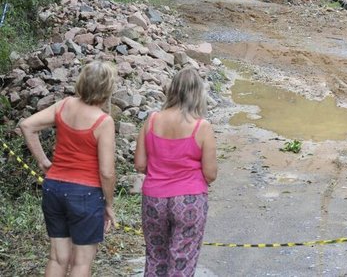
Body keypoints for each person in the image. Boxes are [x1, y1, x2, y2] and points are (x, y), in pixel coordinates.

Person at [19, 60, 118, 277]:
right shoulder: (104, 121)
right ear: (107, 88)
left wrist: (44, 162)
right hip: (85, 194)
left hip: (54, 188)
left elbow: (27, 126)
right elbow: (107, 172)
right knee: (81, 263)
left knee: (57, 258)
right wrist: (108, 204)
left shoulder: (63, 105)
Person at [134, 67, 217, 277]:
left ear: (173, 90)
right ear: (198, 93)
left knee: (155, 257)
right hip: (189, 199)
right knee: (182, 259)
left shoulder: (151, 121)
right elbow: (211, 174)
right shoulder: (202, 127)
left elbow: (140, 164)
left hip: (154, 198)